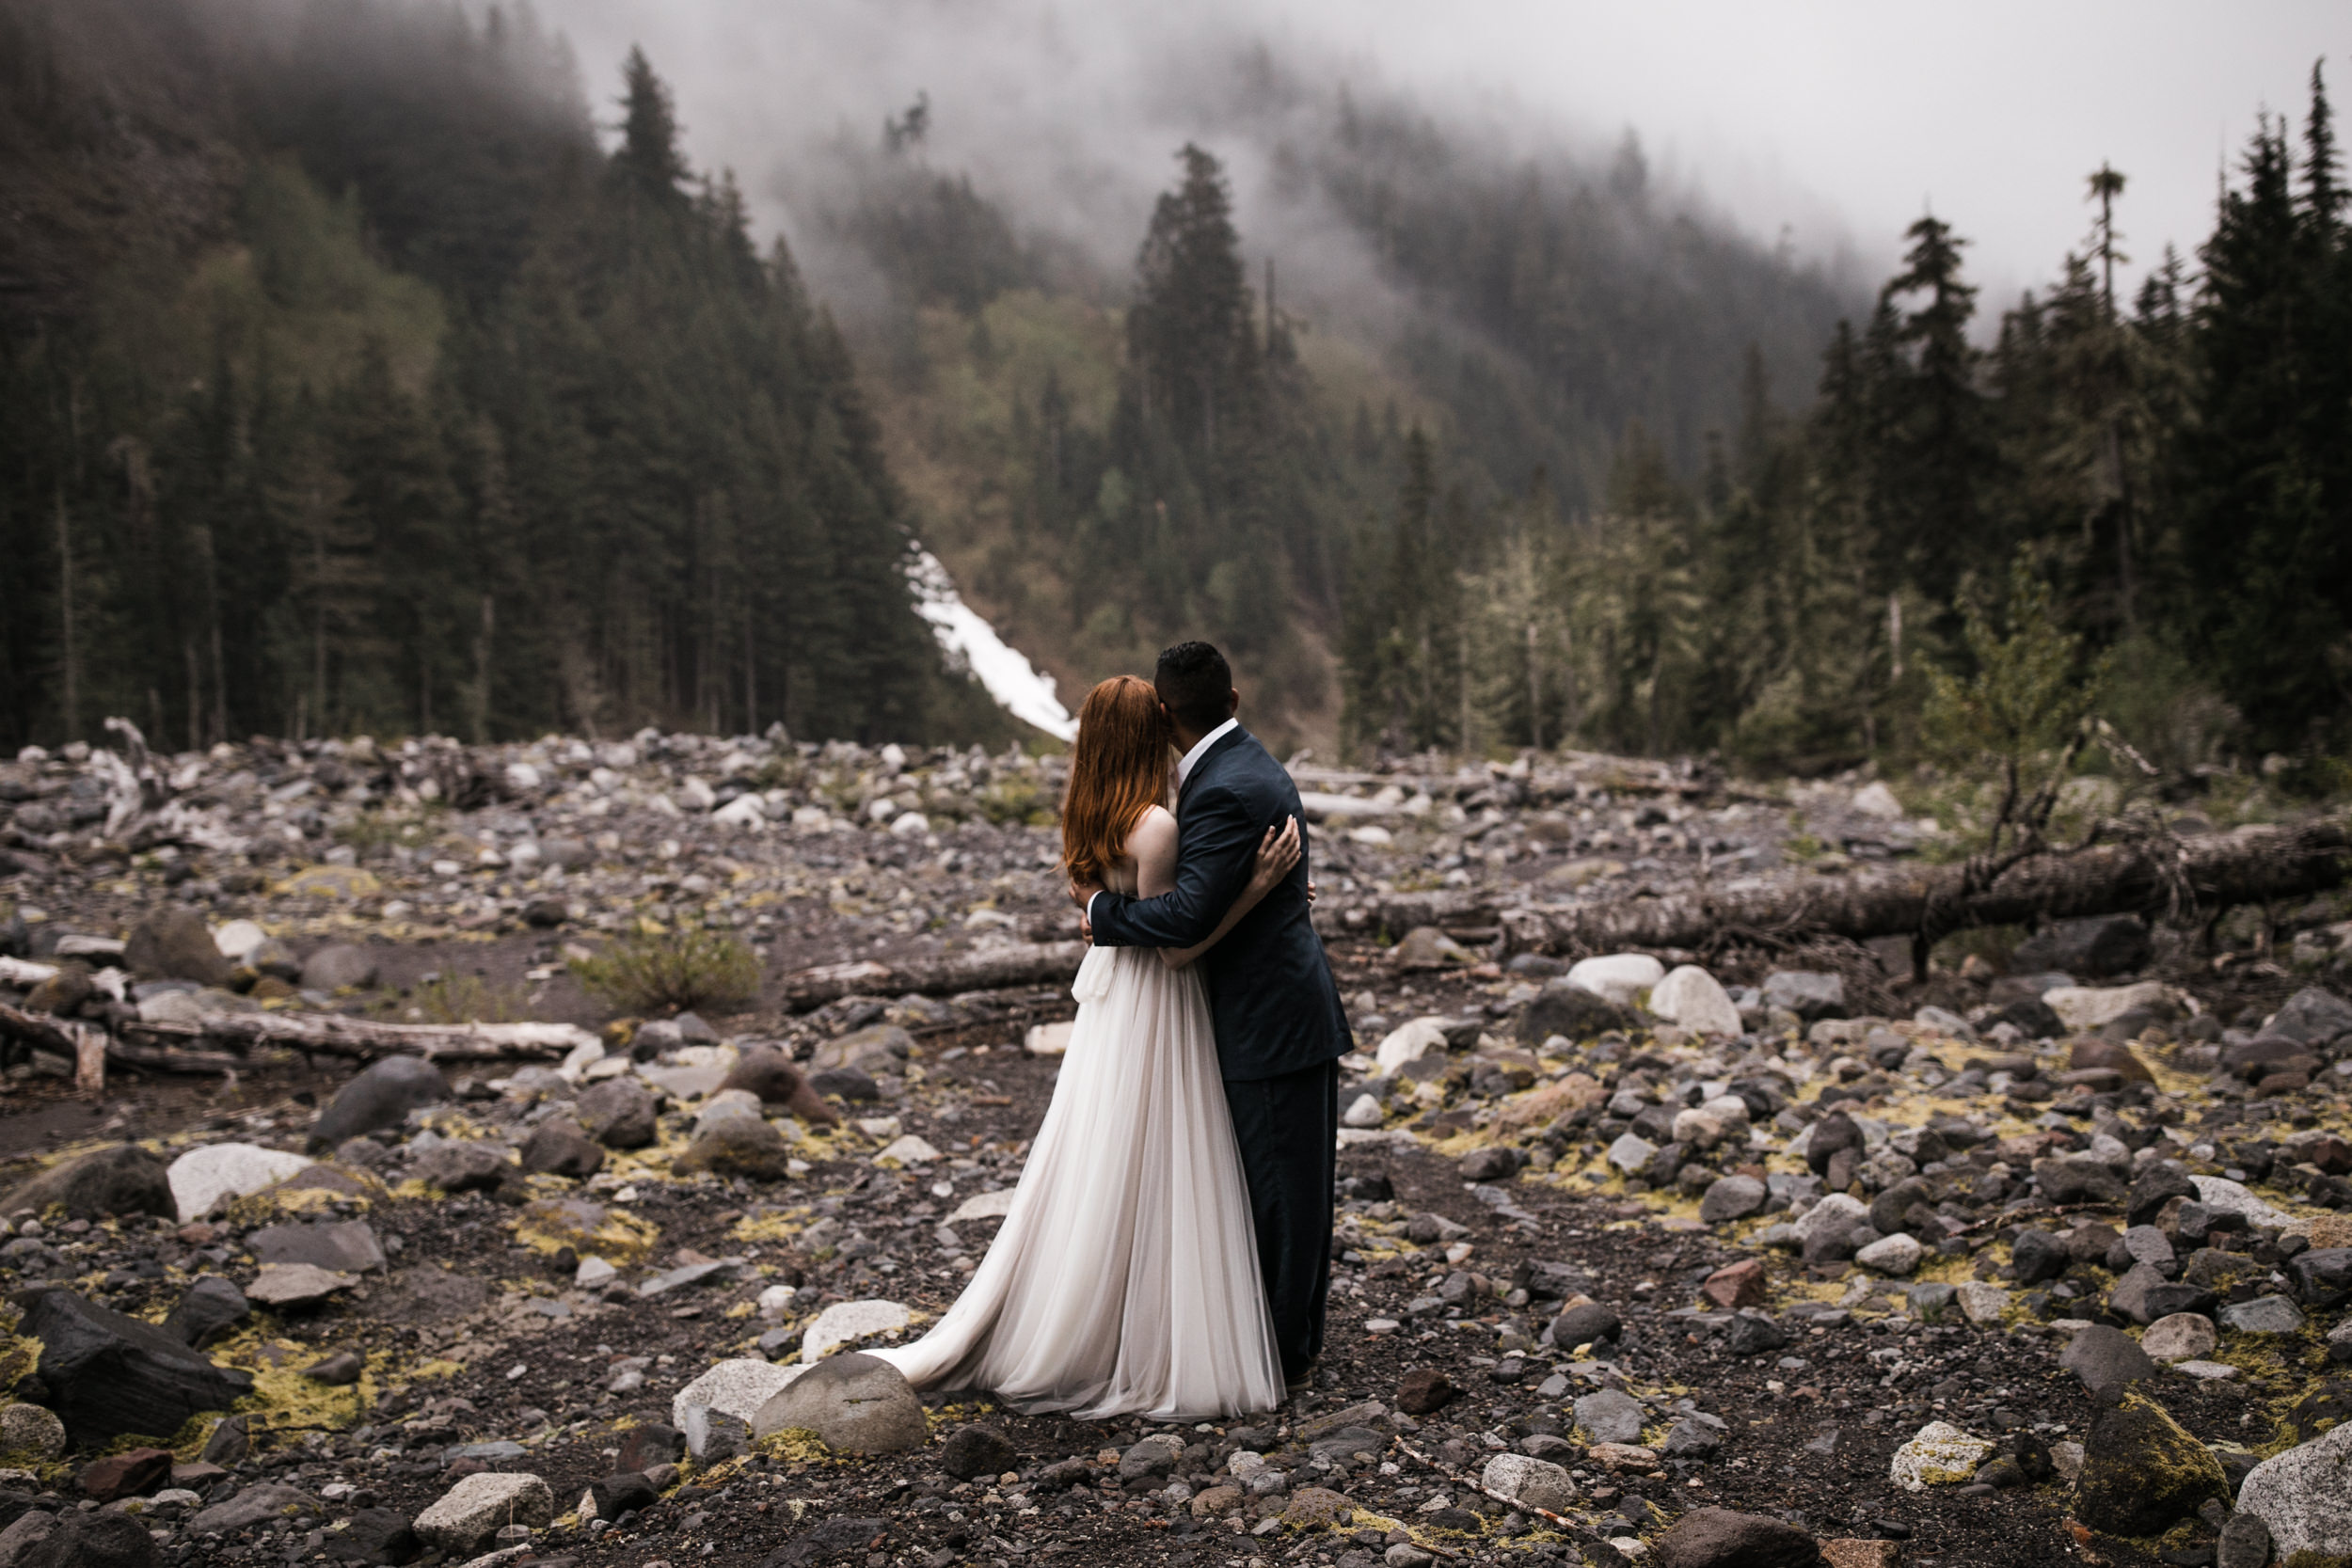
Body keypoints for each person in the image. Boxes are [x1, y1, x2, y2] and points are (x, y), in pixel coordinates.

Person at [868, 673, 1303, 1418]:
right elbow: (1175, 948)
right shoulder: (1158, 826)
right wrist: (1257, 891)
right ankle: (1143, 1332)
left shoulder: (1088, 815)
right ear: (1147, 735)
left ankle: (1088, 1308)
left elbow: (1115, 911)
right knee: (1161, 1153)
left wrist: (1122, 910)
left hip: (1109, 1003)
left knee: (1103, 1149)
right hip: (1156, 1002)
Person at [1077, 641, 1352, 1395]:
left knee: (1284, 1191)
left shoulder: (1223, 787)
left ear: (1166, 714)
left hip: (1272, 1020)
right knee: (1280, 1185)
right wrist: (1266, 890)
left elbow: (1189, 913)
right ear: (1234, 701)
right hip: (1272, 1011)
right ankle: (1282, 1340)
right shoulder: (1237, 769)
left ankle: (1285, 1353)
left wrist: (1103, 912)